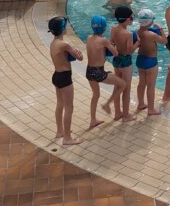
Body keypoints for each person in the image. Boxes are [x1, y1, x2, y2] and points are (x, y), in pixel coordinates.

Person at [85, 15, 125, 130]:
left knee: (95, 95)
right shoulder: (103, 40)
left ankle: (93, 120)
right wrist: (113, 45)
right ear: (104, 27)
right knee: (122, 84)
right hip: (98, 72)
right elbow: (116, 53)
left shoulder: (89, 38)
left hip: (89, 71)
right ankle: (107, 104)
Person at [48, 16, 83, 145]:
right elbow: (80, 58)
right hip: (64, 77)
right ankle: (67, 138)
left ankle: (60, 131)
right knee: (69, 107)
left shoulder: (54, 43)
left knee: (60, 104)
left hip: (57, 75)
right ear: (62, 29)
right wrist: (78, 53)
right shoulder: (64, 44)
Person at [103, 5, 137, 122]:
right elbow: (129, 51)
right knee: (126, 90)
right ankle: (126, 115)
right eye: (131, 17)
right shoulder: (128, 34)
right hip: (126, 62)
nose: (132, 19)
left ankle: (118, 113)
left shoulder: (113, 29)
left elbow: (111, 42)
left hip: (116, 60)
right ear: (126, 19)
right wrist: (138, 43)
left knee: (118, 86)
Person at [135, 9, 165, 116]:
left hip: (140, 60)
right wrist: (160, 29)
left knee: (141, 83)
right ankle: (151, 109)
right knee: (151, 86)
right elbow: (164, 41)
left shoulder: (137, 32)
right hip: (151, 62)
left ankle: (141, 104)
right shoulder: (151, 34)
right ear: (150, 21)